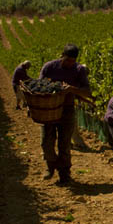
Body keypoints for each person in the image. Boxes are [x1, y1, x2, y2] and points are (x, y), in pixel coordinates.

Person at [39, 45, 91, 185]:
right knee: (46, 142)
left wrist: (72, 89)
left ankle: (64, 174)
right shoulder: (49, 67)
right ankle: (50, 166)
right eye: (67, 60)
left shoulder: (79, 70)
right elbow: (39, 86)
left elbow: (87, 91)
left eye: (72, 61)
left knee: (65, 144)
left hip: (67, 110)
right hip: (49, 110)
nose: (69, 63)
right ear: (62, 55)